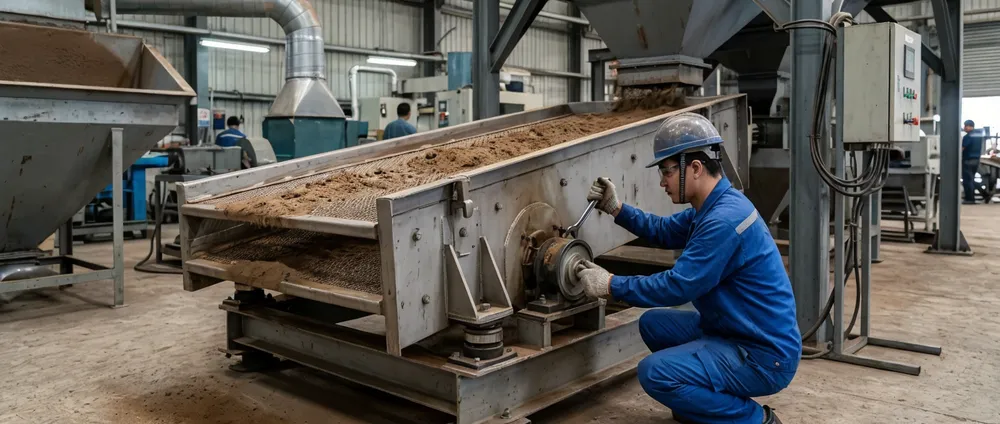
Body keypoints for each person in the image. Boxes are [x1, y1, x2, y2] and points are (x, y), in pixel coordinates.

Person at [575, 113, 800, 424]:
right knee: (653, 324)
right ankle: (700, 405)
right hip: (734, 327)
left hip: (762, 353)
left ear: (695, 168)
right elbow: (663, 230)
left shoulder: (723, 221)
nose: (662, 182)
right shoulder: (712, 206)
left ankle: (755, 419)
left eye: (667, 172)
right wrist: (616, 208)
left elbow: (678, 285)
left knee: (654, 373)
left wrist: (610, 284)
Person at [962, 119, 985, 204]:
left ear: (970, 126)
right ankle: (985, 194)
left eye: (965, 126)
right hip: (976, 160)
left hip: (968, 160)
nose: (964, 128)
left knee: (967, 180)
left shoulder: (968, 136)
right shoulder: (978, 136)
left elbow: (962, 148)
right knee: (971, 179)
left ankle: (970, 199)